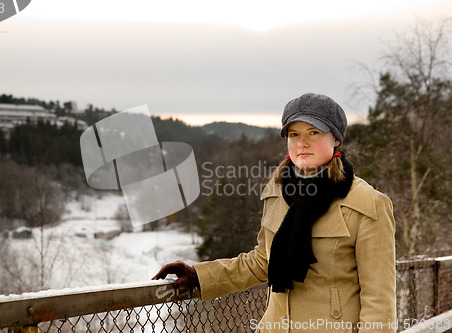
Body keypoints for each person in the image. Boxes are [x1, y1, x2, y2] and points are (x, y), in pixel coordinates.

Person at [153, 93, 396, 333]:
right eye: (294, 134)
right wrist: (200, 276)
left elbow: (379, 301)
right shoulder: (277, 193)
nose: (302, 143)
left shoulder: (367, 204)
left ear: (336, 139)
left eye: (314, 132)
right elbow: (262, 262)